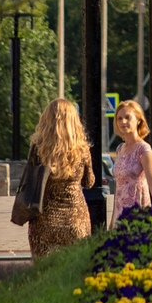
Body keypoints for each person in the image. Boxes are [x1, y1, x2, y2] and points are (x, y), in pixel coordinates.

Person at [26, 98, 94, 258]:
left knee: (43, 273)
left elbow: (30, 178)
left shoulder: (38, 149)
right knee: (75, 272)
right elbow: (89, 182)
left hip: (44, 221)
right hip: (76, 221)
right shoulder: (82, 150)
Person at [111, 100, 152, 224]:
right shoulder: (120, 149)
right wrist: (112, 220)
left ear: (138, 120)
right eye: (119, 118)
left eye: (128, 117)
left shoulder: (143, 149)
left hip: (137, 210)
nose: (123, 122)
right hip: (120, 212)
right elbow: (118, 187)